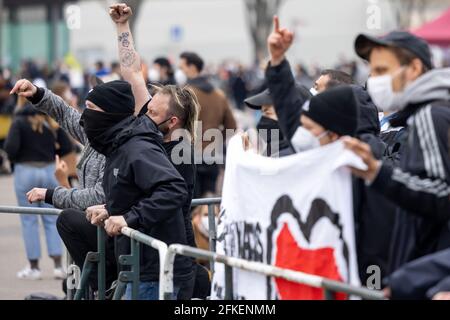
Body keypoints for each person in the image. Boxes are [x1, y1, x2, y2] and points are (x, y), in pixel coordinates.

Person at [109, 3, 200, 299]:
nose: (144, 113)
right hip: (143, 253)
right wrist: (122, 27)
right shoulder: (150, 126)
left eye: (152, 111)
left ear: (171, 122)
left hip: (171, 256)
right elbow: (133, 73)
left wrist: (127, 216)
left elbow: (169, 196)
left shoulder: (182, 152)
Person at [345, 31, 450, 281]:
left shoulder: (429, 115)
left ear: (414, 68)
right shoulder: (430, 112)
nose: (374, 80)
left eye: (382, 71)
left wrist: (378, 173)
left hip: (430, 273)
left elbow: (441, 194)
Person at [4, 96, 73, 280]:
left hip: (25, 169)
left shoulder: (19, 122)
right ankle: (58, 266)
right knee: (51, 219)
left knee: (29, 220)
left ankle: (34, 267)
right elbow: (67, 146)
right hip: (50, 169)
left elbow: (10, 149)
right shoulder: (50, 121)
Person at [178, 51, 237, 198]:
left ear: (191, 67)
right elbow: (232, 126)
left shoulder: (185, 94)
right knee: (208, 204)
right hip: (212, 155)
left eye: (182, 67)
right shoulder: (219, 94)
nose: (181, 71)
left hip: (188, 155)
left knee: (191, 203)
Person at [244, 88, 293, 157]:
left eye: (268, 113)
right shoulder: (275, 151)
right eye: (262, 113)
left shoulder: (289, 157)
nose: (262, 120)